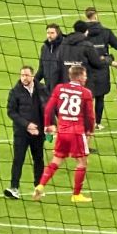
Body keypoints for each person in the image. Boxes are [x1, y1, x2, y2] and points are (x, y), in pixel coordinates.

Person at [34, 64, 96, 203]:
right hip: (76, 132)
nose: (86, 78)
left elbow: (48, 108)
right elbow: (90, 116)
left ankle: (41, 185)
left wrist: (47, 126)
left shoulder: (59, 88)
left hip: (62, 132)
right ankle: (76, 195)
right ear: (79, 77)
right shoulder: (86, 93)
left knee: (56, 160)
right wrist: (90, 130)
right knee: (82, 162)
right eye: (85, 75)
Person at [76, 8, 117, 127]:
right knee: (100, 97)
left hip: (86, 68)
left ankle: (86, 122)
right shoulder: (106, 31)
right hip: (102, 67)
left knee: (87, 97)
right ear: (96, 16)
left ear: (86, 16)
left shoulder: (82, 33)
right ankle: (98, 123)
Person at [5, 66, 44, 199]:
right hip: (21, 132)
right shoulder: (15, 92)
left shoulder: (42, 89)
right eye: (22, 75)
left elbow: (48, 107)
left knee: (38, 159)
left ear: (32, 76)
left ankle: (38, 187)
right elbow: (11, 112)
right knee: (18, 159)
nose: (24, 78)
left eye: (27, 75)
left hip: (38, 132)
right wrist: (27, 125)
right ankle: (14, 188)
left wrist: (51, 125)